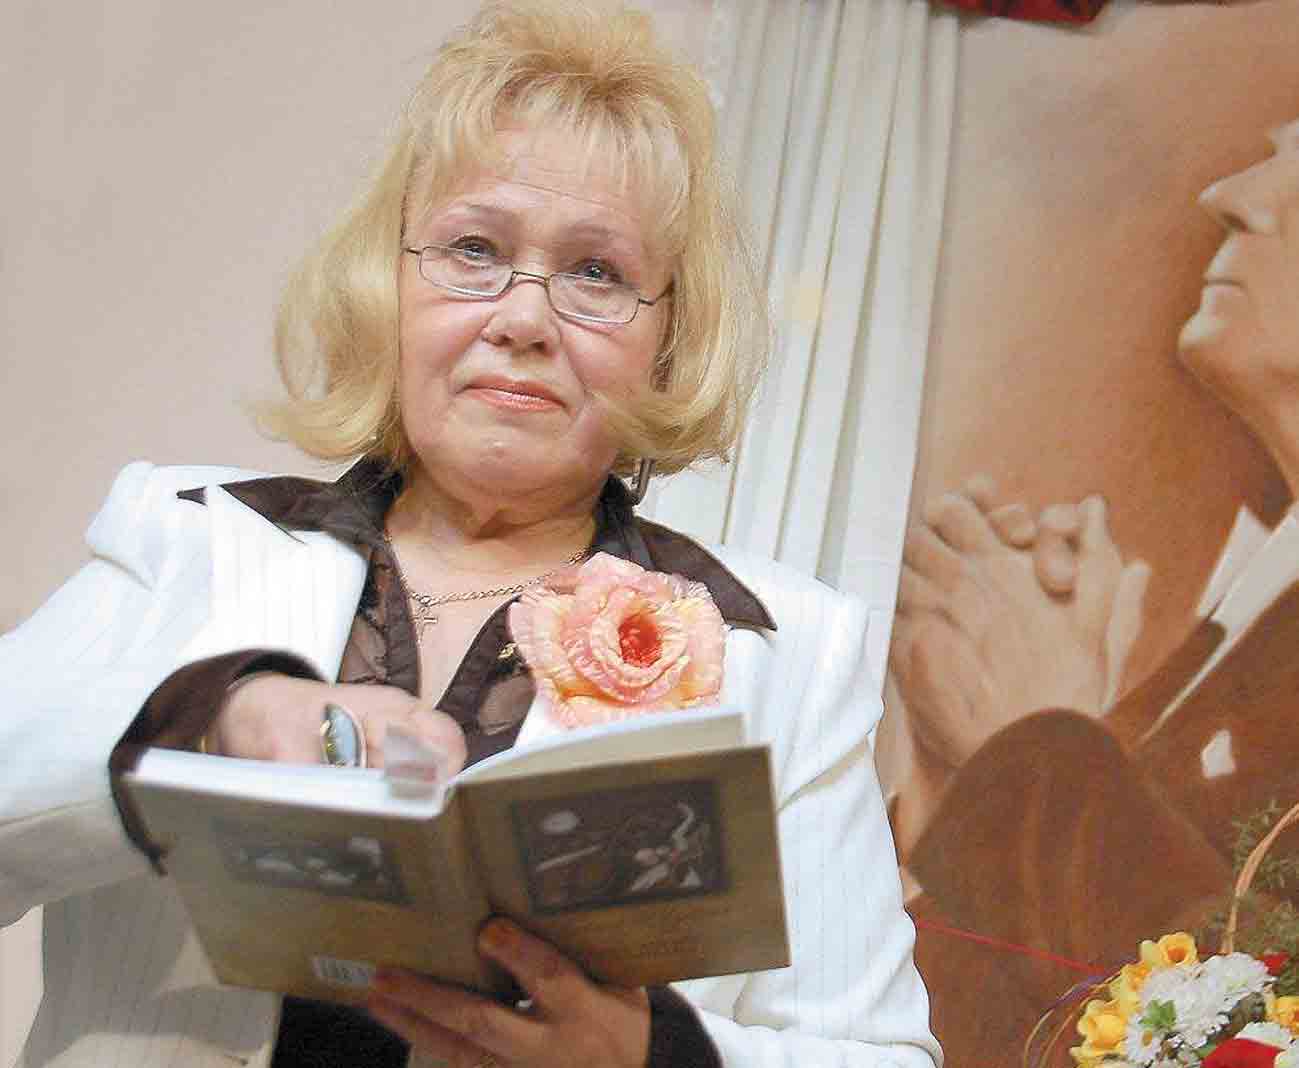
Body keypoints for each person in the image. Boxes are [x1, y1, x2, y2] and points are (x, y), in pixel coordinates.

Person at [0, 3, 940, 1067]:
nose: (524, 319)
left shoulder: (785, 651)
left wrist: (648, 1058)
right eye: (474, 249)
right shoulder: (184, 538)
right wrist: (207, 720)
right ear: (389, 285)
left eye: (597, 273)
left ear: (669, 335)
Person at [887, 116, 1299, 1065]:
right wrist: (963, 765)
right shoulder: (1254, 602)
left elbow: (1248, 1018)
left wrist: (1031, 740)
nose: (1228, 197)